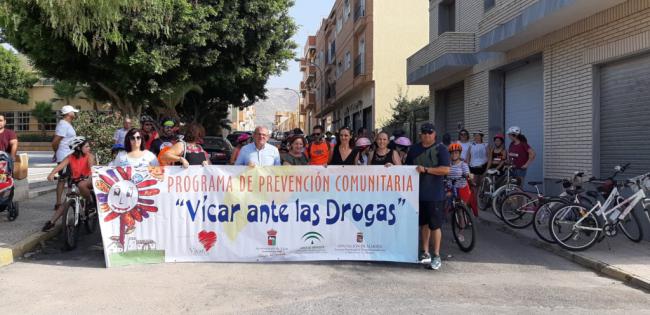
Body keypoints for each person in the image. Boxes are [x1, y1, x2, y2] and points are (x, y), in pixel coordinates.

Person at [405, 123, 450, 271]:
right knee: (423, 225)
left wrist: (426, 170)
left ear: (434, 134)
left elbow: (445, 170)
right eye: (424, 133)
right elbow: (405, 169)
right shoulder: (414, 149)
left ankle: (436, 255)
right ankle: (425, 252)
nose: (426, 135)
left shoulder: (441, 149)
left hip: (434, 195)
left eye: (429, 133)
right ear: (420, 135)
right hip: (417, 194)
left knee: (435, 226)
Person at [42, 137, 95, 231]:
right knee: (66, 201)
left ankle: (90, 201)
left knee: (82, 185)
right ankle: (52, 222)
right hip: (76, 181)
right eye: (86, 146)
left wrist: (91, 175)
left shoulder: (89, 156)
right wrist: (52, 173)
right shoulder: (70, 157)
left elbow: (92, 167)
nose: (89, 148)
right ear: (79, 148)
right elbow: (61, 165)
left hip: (88, 179)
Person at [52, 105, 79, 211]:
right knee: (63, 179)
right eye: (73, 112)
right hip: (64, 156)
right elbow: (55, 142)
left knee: (70, 179)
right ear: (68, 114)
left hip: (69, 155)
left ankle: (67, 202)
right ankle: (59, 204)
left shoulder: (67, 124)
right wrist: (57, 152)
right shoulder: (63, 125)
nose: (75, 114)